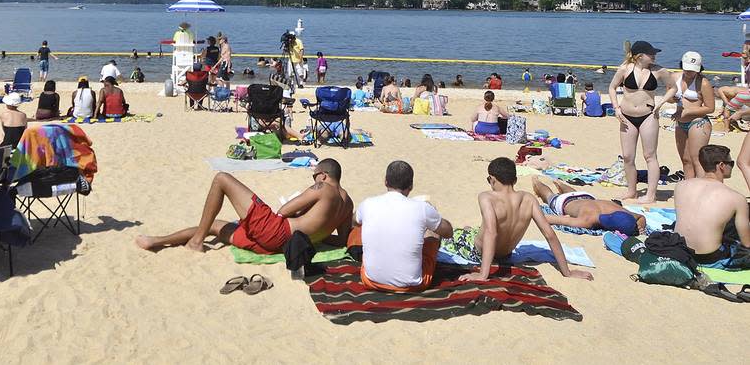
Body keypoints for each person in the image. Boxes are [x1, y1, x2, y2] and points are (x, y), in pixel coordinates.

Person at [135, 159, 353, 253]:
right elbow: (340, 240)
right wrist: (316, 233)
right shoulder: (348, 203)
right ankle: (157, 241)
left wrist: (299, 213)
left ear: (323, 175)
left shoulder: (323, 189)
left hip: (277, 232)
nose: (313, 179)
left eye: (314, 176)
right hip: (284, 246)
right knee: (215, 225)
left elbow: (283, 211)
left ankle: (197, 242)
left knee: (221, 178)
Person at [452, 158, 593, 281]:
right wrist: (567, 272)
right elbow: (549, 234)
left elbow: (491, 233)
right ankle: (469, 230)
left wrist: (483, 274)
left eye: (489, 180)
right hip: (505, 256)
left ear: (492, 179)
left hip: (479, 253)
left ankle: (466, 232)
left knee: (452, 234)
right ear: (515, 180)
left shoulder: (487, 197)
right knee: (470, 230)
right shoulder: (529, 199)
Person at [353, 160, 453, 291]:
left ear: (385, 181)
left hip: (371, 280)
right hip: (411, 285)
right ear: (410, 186)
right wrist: (432, 213)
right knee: (432, 233)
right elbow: (448, 232)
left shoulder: (368, 204)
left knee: (361, 227)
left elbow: (354, 221)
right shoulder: (422, 208)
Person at [607, 40, 677, 202]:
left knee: (650, 155)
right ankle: (632, 191)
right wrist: (616, 108)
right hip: (626, 116)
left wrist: (661, 102)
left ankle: (650, 194)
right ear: (639, 56)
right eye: (651, 53)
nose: (654, 55)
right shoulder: (625, 68)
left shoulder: (659, 71)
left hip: (649, 116)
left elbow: (673, 87)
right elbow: (612, 87)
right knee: (627, 156)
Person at [672, 145, 750, 268]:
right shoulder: (736, 198)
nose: (731, 167)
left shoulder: (681, 186)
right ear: (721, 166)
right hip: (708, 258)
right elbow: (746, 243)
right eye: (731, 163)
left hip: (679, 250)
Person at [531, 176, 645, 234]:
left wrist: (640, 224)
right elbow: (553, 219)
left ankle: (560, 183)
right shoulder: (589, 219)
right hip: (565, 201)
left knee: (574, 194)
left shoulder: (621, 211)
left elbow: (641, 218)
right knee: (549, 196)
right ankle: (536, 182)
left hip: (586, 196)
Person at [671, 51, 715, 180]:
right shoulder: (675, 77)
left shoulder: (703, 83)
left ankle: (700, 190)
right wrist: (672, 99)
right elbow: (669, 97)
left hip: (698, 122)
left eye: (693, 70)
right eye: (687, 69)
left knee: (697, 160)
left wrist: (688, 111)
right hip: (680, 122)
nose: (689, 72)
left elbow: (710, 108)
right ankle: (689, 188)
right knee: (685, 160)